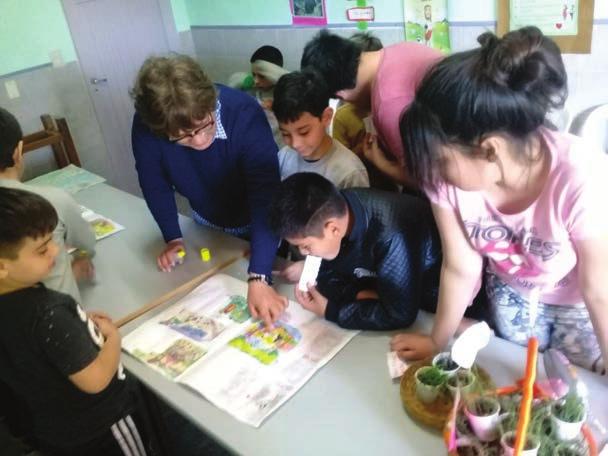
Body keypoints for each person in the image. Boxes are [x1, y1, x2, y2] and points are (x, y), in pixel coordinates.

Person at [392, 27, 608, 375]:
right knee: (516, 378)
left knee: (578, 390)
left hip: (576, 306)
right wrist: (437, 340)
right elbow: (461, 267)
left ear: (489, 149)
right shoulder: (447, 182)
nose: (435, 173)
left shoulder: (581, 175)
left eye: (442, 160)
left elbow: (599, 290)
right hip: (510, 297)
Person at [130, 55, 287, 326]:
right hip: (208, 224)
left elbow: (266, 196)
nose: (200, 139)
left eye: (205, 124)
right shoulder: (148, 128)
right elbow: (154, 185)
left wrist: (259, 274)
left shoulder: (242, 112)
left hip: (261, 223)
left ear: (210, 102)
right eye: (184, 136)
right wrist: (173, 237)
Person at [0, 187, 152, 455]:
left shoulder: (26, 307)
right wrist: (113, 337)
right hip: (104, 425)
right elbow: (96, 380)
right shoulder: (48, 312)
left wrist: (73, 327)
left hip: (56, 430)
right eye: (42, 249)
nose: (56, 251)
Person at [268, 173, 441, 330]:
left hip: (434, 303)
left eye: (306, 246)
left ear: (333, 229)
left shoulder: (393, 235)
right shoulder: (334, 213)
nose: (304, 253)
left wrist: (331, 311)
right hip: (380, 285)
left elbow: (399, 314)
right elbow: (328, 276)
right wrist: (361, 294)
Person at [301, 30, 441, 188]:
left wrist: (381, 162)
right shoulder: (404, 48)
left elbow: (433, 184)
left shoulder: (388, 105)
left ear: (341, 94)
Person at [0, 107, 95, 304]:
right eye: (43, 249)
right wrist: (71, 267)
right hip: (60, 319)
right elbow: (87, 245)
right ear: (18, 152)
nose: (51, 249)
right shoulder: (51, 200)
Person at [272, 70, 369, 188]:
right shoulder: (283, 158)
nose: (295, 144)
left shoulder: (350, 173)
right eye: (286, 134)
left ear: (326, 117)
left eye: (304, 132)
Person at [330, 32, 395, 191]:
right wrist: (362, 149)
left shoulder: (389, 107)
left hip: (391, 184)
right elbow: (338, 161)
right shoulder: (343, 116)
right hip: (358, 186)